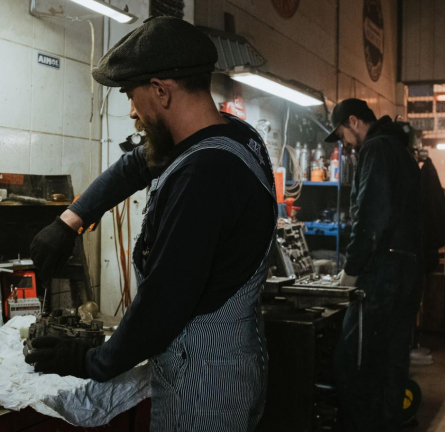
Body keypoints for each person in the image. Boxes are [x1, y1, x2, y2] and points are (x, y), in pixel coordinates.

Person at [27, 17, 277, 431]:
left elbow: (163, 303)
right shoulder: (231, 135)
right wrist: (71, 220)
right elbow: (136, 163)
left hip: (204, 381)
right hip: (234, 358)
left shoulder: (203, 177)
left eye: (131, 96)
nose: (131, 112)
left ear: (161, 91)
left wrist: (88, 360)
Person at [325, 99, 423, 432]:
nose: (343, 143)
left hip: (383, 275)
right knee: (392, 364)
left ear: (353, 121)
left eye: (340, 134)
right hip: (408, 271)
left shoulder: (376, 149)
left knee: (353, 365)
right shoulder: (402, 151)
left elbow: (370, 215)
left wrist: (351, 272)